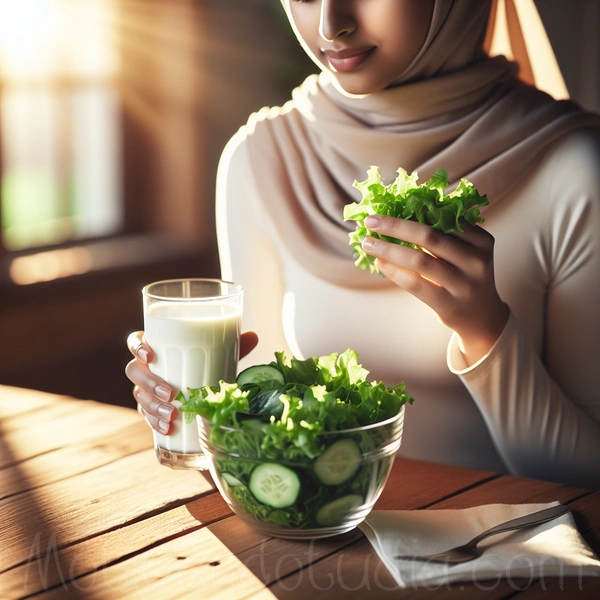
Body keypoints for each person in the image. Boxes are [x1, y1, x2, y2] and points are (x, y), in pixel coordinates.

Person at [126, 0, 600, 490]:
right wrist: (186, 407)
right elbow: (254, 447)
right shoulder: (264, 158)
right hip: (317, 546)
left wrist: (487, 336)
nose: (333, 25)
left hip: (510, 556)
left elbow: (589, 485)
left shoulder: (574, 170)